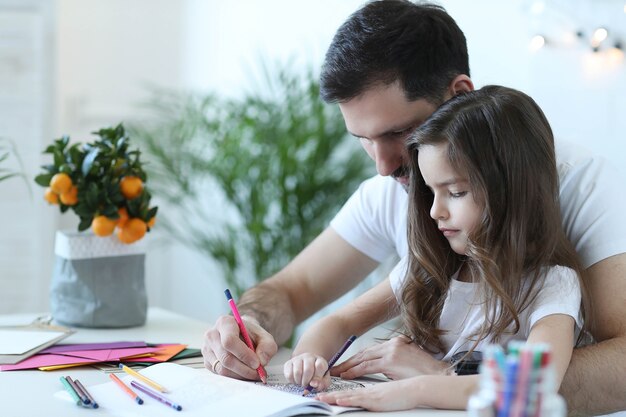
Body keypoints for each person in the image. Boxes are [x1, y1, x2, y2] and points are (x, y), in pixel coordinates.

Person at [202, 1, 626, 415]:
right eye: (363, 140)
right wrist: (248, 326)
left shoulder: (579, 186)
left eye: (399, 133)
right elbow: (291, 293)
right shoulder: (400, 201)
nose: (382, 166)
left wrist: (442, 378)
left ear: (458, 94)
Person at [283, 85, 588, 411]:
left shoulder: (552, 286)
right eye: (430, 192)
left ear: (512, 193)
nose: (435, 212)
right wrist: (308, 359)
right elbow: (339, 323)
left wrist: (419, 386)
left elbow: (531, 385)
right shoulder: (428, 268)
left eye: (455, 192)